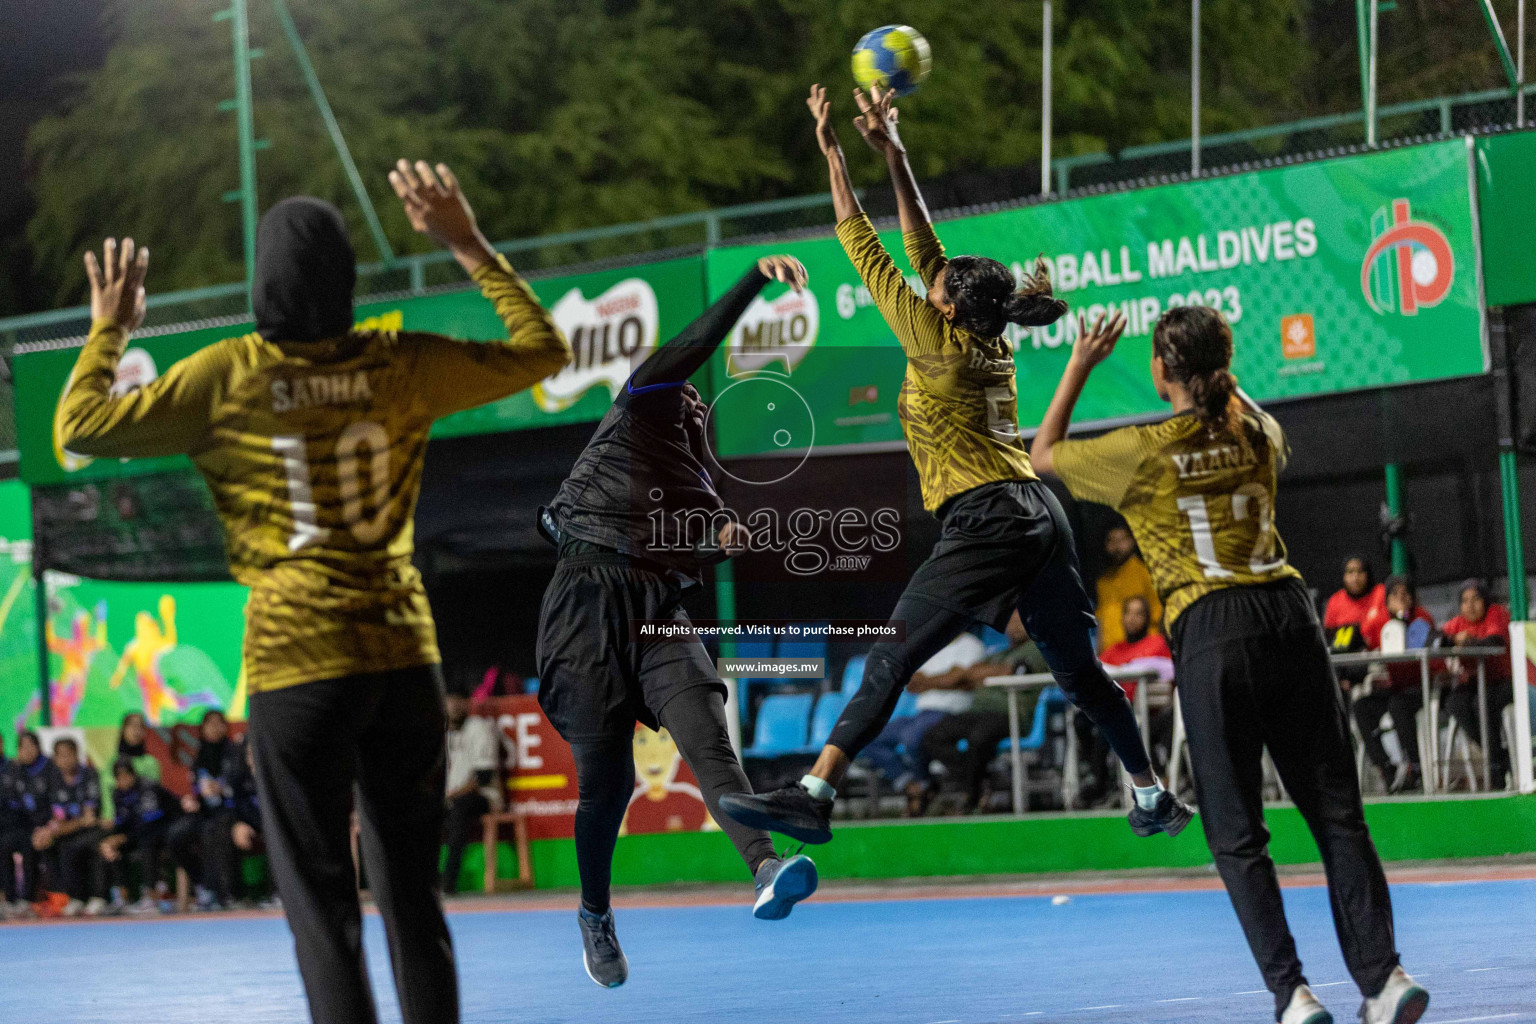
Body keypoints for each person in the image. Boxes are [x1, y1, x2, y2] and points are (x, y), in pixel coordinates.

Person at [54, 158, 571, 1024]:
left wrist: (111, 329)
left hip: (296, 668)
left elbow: (80, 424)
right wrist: (467, 243)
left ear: (262, 284)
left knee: (322, 908)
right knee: (414, 898)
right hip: (402, 657)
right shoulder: (398, 361)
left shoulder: (226, 375)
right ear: (346, 281)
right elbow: (544, 351)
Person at [720, 84, 1188, 848]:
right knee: (1081, 675)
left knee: (891, 656)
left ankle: (813, 793)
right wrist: (894, 155)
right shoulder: (988, 337)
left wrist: (834, 149)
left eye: (934, 284)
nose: (926, 278)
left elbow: (859, 236)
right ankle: (1151, 792)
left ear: (943, 307)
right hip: (1042, 516)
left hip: (987, 517)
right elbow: (925, 248)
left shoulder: (931, 339)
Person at [1031, 302, 1427, 1024]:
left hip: (1211, 627)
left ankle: (1294, 995)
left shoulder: (1142, 449)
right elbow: (1259, 421)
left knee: (1238, 834)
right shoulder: (1253, 430)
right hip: (1289, 615)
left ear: (1161, 370)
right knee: (1338, 814)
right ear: (1225, 365)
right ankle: (1386, 978)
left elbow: (1043, 453)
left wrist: (1080, 365)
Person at [536, 242, 818, 988]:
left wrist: (722, 541)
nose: (695, 401)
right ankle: (594, 913)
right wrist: (753, 281)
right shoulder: (640, 403)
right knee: (607, 786)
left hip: (657, 607)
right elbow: (695, 344)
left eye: (700, 402)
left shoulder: (695, 479)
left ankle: (764, 868)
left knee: (708, 738)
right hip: (586, 606)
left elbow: (697, 547)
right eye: (688, 393)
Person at [918, 611, 1050, 814]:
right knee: (932, 736)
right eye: (1009, 621)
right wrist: (973, 673)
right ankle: (982, 780)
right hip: (977, 712)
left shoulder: (1038, 650)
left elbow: (1008, 671)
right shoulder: (998, 653)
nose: (1013, 626)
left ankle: (971, 797)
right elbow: (970, 674)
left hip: (1011, 714)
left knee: (978, 738)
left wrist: (972, 674)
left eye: (1019, 621)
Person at [860, 631, 988, 815]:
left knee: (912, 738)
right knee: (869, 737)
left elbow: (959, 678)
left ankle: (925, 785)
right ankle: (913, 786)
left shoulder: (971, 644)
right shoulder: (931, 644)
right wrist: (946, 679)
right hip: (921, 714)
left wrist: (930, 680)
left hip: (951, 712)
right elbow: (912, 682)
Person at [1356, 576, 1436, 794]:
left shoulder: (1422, 619)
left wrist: (1402, 618)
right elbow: (1366, 644)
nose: (1401, 599)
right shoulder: (1379, 621)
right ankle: (1385, 768)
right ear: (1386, 599)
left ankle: (1416, 768)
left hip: (1421, 688)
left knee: (1398, 705)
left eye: (1405, 594)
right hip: (1393, 687)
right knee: (1362, 707)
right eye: (1395, 595)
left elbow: (1414, 654)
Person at [1441, 580, 1514, 786]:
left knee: (1482, 703)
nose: (1470, 605)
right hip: (1476, 683)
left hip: (1503, 681)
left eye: (1476, 599)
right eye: (1465, 601)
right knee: (1455, 702)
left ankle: (1496, 767)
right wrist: (1454, 640)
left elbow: (1495, 641)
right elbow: (1434, 638)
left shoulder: (1496, 613)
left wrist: (1469, 641)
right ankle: (1499, 757)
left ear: (1486, 601)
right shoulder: (1457, 623)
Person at [39, 736, 109, 916]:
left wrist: (63, 827)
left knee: (87, 844)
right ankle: (75, 898)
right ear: (54, 759)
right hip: (72, 829)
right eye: (60, 756)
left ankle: (98, 897)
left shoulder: (89, 775)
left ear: (77, 755)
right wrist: (52, 830)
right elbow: (58, 817)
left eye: (69, 755)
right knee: (59, 846)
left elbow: (89, 818)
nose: (65, 760)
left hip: (94, 828)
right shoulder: (55, 780)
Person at [99, 757, 180, 914]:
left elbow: (149, 825)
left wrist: (122, 838)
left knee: (147, 843)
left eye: (126, 775)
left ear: (133, 774)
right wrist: (112, 841)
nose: (123, 780)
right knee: (110, 847)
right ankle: (122, 897)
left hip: (161, 831)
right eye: (118, 777)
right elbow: (122, 824)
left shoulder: (148, 788)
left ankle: (150, 895)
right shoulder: (118, 794)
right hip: (136, 834)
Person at [442, 691, 501, 895]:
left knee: (460, 808)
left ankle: (449, 880)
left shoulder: (479, 728)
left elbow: (482, 778)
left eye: (459, 701)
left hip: (483, 797)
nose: (454, 706)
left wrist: (450, 796)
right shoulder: (443, 732)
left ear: (466, 703)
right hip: (450, 797)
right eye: (450, 702)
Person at [0, 731, 52, 916]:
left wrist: (47, 827)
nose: (28, 751)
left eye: (31, 746)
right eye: (23, 747)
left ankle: (28, 900)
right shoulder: (14, 769)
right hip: (18, 827)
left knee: (30, 846)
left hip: (42, 826)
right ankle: (10, 900)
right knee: (4, 846)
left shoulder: (48, 768)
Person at [1096, 524, 1163, 651]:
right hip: (1111, 653)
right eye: (1112, 540)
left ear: (1132, 541)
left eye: (1122, 540)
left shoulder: (1145, 573)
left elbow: (1157, 614)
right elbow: (1101, 621)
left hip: (1142, 651)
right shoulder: (1103, 580)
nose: (1117, 546)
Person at [1323, 556, 1386, 638]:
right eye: (1350, 572)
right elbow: (1329, 636)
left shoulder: (1381, 592)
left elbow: (1401, 616)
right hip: (1348, 650)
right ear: (1343, 576)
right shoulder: (1335, 600)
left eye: (1360, 571)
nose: (1355, 578)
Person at [115, 711, 162, 784]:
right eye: (132, 725)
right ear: (123, 729)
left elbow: (153, 791)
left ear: (144, 732)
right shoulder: (113, 762)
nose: (136, 730)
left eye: (140, 726)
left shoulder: (151, 763)